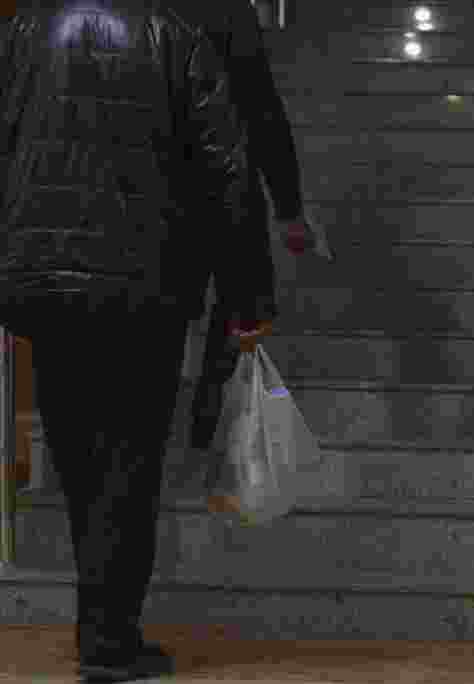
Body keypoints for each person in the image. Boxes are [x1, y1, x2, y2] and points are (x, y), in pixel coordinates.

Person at [0, 3, 265, 680]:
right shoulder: (178, 36)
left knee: (80, 457)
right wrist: (246, 291)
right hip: (144, 283)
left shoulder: (23, 30)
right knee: (129, 462)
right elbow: (227, 168)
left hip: (44, 277)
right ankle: (109, 638)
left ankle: (100, 626)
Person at [183, 0, 308, 462]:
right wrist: (289, 206)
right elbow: (261, 107)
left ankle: (160, 426)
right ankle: (210, 420)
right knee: (241, 301)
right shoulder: (226, 12)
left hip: (153, 190)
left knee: (164, 309)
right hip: (225, 184)